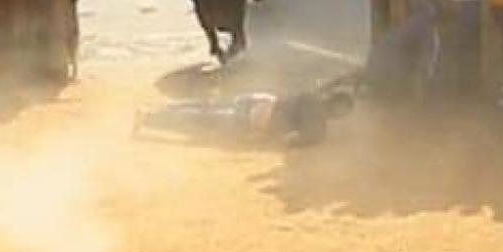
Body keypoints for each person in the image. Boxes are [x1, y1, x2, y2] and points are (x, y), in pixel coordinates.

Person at [135, 83, 358, 148]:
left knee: (207, 111)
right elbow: (297, 140)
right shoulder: (317, 122)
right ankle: (151, 119)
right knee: (204, 122)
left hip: (258, 100)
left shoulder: (311, 93)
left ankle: (161, 111)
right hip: (257, 121)